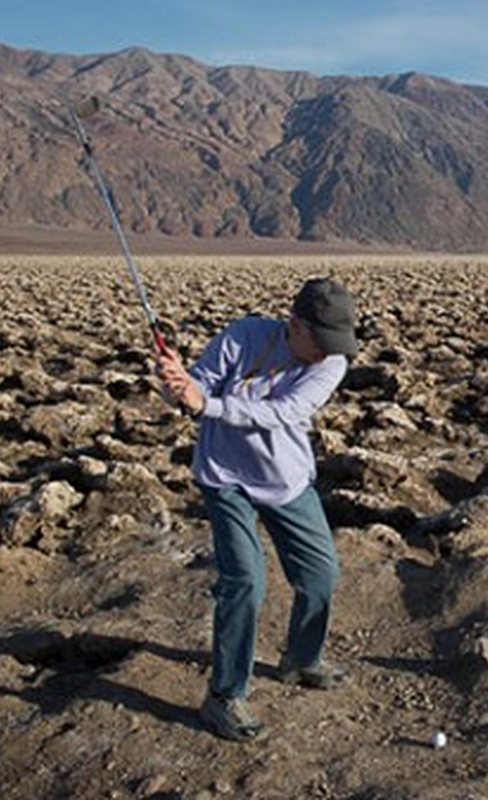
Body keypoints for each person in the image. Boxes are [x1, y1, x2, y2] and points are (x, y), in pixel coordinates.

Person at [155, 276, 358, 742]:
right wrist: (176, 388)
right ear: (295, 326)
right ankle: (224, 696)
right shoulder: (243, 336)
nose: (327, 352)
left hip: (286, 480)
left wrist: (207, 404)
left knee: (320, 574)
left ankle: (302, 659)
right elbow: (191, 393)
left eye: (336, 343)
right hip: (225, 477)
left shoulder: (331, 364)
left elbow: (282, 412)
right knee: (245, 580)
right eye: (321, 341)